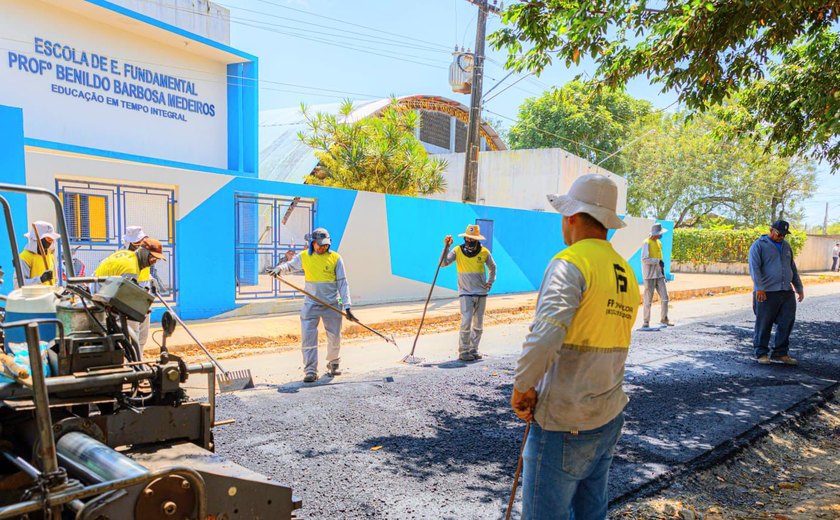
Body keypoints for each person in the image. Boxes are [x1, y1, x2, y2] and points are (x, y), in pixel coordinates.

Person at [511, 174, 639, 520]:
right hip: (607, 415)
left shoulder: (571, 262)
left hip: (565, 418)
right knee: (590, 512)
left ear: (570, 217)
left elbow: (546, 334)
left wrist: (523, 387)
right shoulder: (625, 272)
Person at [269, 228, 355, 383]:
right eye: (319, 245)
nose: (323, 247)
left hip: (332, 304)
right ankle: (310, 370)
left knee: (334, 336)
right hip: (311, 303)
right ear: (312, 243)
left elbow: (343, 283)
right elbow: (289, 266)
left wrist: (347, 306)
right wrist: (278, 269)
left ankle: (334, 363)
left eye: (325, 245)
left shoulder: (336, 258)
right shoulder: (304, 257)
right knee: (308, 337)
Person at [95, 238, 166, 357]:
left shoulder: (133, 257)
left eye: (157, 259)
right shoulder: (130, 268)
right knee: (133, 326)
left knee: (141, 317)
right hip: (104, 293)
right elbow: (127, 300)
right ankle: (132, 360)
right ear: (143, 252)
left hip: (108, 289)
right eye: (153, 257)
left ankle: (135, 355)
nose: (154, 261)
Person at [748, 220, 804, 365]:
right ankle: (761, 353)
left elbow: (792, 268)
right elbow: (754, 267)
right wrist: (759, 287)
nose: (782, 237)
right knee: (764, 323)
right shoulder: (759, 245)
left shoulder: (786, 246)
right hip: (766, 292)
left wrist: (799, 288)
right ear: (771, 230)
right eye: (779, 234)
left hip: (786, 291)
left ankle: (780, 353)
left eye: (784, 235)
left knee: (787, 321)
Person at [442, 224, 497, 362]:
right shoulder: (457, 250)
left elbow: (493, 267)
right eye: (468, 238)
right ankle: (464, 351)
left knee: (478, 324)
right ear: (465, 237)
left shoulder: (484, 252)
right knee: (466, 322)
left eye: (473, 238)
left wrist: (490, 282)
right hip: (465, 292)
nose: (470, 240)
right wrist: (446, 247)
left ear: (477, 239)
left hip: (481, 293)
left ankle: (474, 349)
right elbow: (443, 263)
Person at [641, 223, 672, 328]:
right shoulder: (646, 243)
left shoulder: (659, 243)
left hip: (659, 275)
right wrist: (657, 261)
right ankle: (646, 322)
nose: (661, 235)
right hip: (649, 276)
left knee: (665, 298)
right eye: (660, 233)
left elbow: (660, 258)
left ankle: (664, 319)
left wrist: (662, 268)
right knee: (648, 300)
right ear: (656, 233)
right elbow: (644, 259)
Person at [18, 221, 61, 287]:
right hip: (33, 297)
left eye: (52, 239)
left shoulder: (50, 256)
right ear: (37, 239)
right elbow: (19, 284)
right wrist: (40, 279)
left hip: (49, 296)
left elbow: (54, 280)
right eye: (48, 238)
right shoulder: (25, 257)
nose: (51, 241)